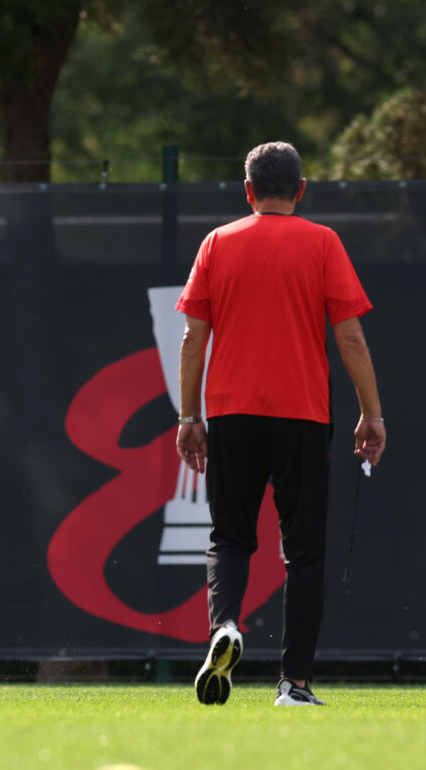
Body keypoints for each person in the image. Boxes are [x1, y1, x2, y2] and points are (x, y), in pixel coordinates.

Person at [176, 142, 386, 707]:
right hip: (303, 415)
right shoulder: (323, 242)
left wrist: (189, 416)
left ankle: (225, 626)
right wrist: (371, 413)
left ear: (247, 190)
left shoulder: (217, 242)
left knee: (229, 537)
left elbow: (193, 339)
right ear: (301, 189)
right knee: (305, 552)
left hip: (231, 413)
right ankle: (294, 683)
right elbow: (349, 337)